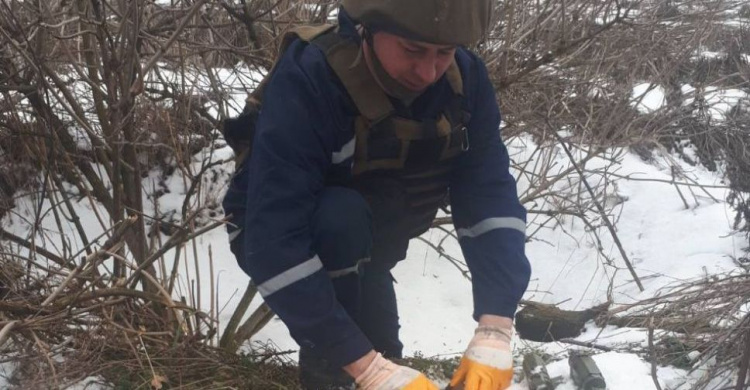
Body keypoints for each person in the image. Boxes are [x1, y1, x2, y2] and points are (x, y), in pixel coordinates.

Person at [221, 0, 531, 389]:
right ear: (367, 28)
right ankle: (331, 377)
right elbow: (275, 239)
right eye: (413, 50)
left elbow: (489, 197)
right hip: (274, 233)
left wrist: (496, 326)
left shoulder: (464, 81)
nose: (429, 71)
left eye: (444, 53)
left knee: (382, 344)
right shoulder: (312, 75)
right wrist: (364, 367)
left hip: (375, 227)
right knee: (340, 219)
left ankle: (380, 360)